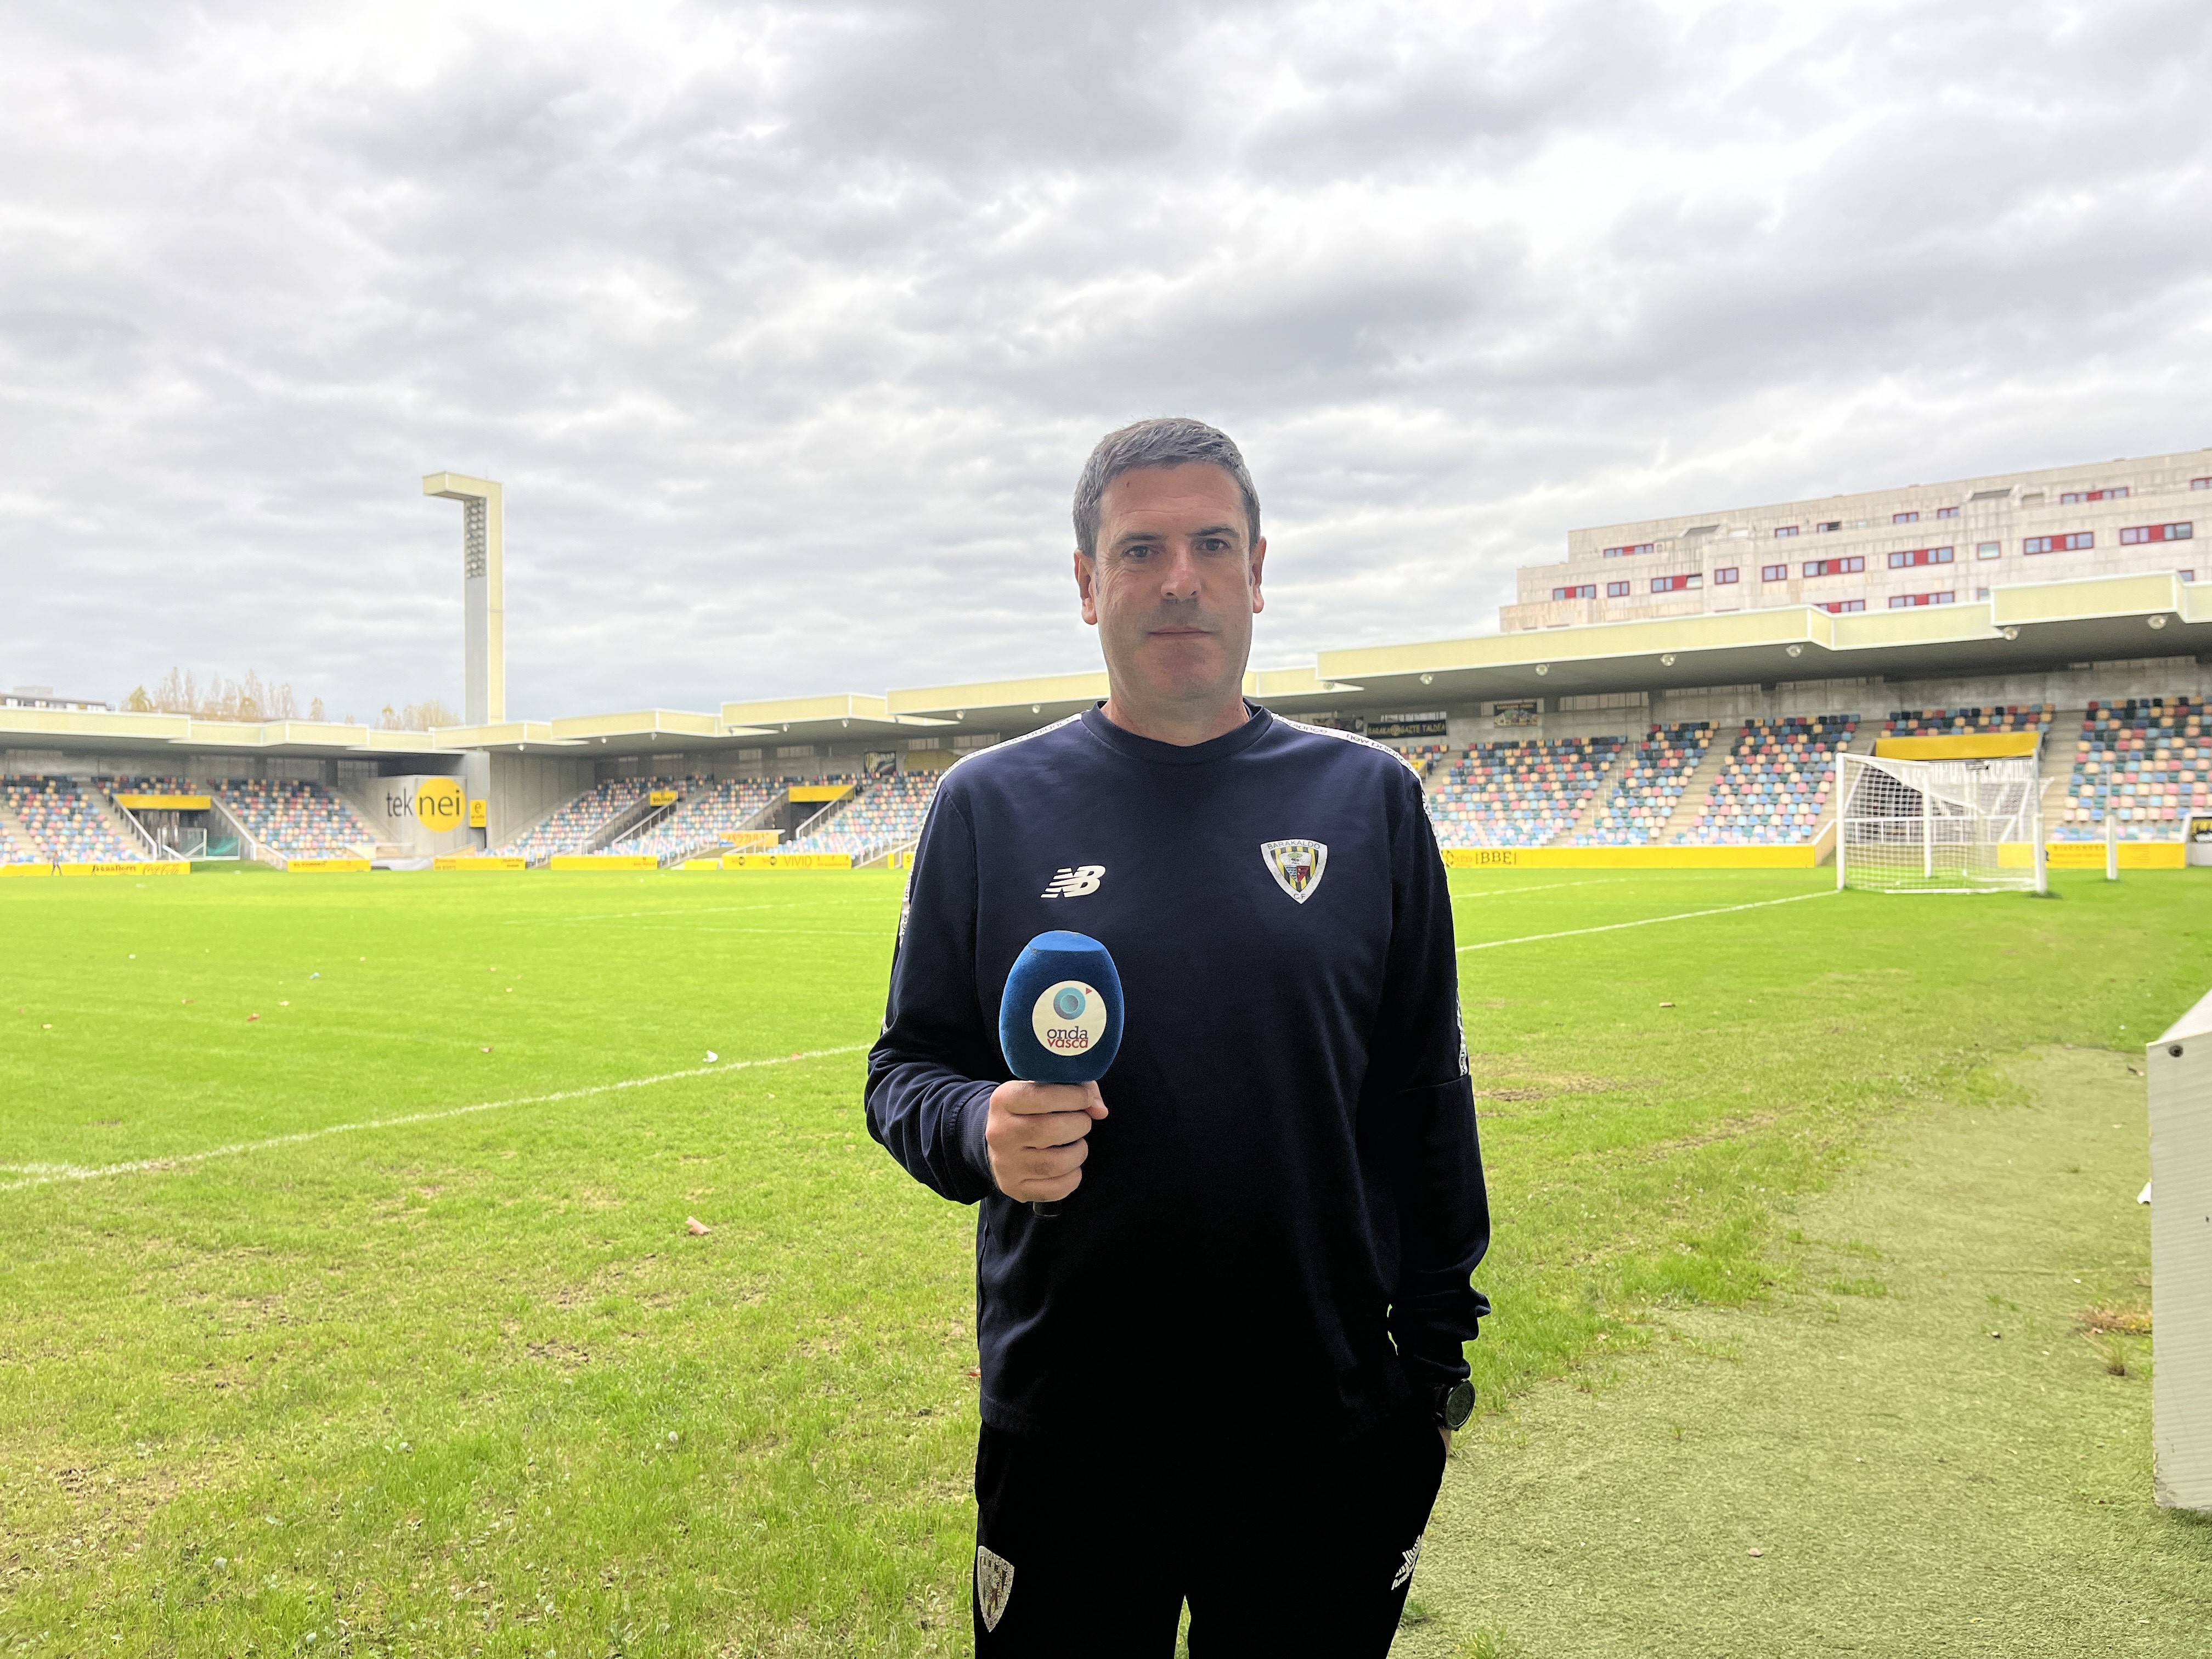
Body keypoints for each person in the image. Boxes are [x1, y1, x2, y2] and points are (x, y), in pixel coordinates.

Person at [865, 416, 1489, 1656]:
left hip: (1326, 1423)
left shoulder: (1369, 801)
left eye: (1212, 543)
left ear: (1259, 569)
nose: (1180, 578)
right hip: (1072, 1423)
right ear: (1089, 584)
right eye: (1139, 549)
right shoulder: (988, 806)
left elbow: (1426, 1095)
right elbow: (905, 1072)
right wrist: (978, 1128)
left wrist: (1427, 1382)